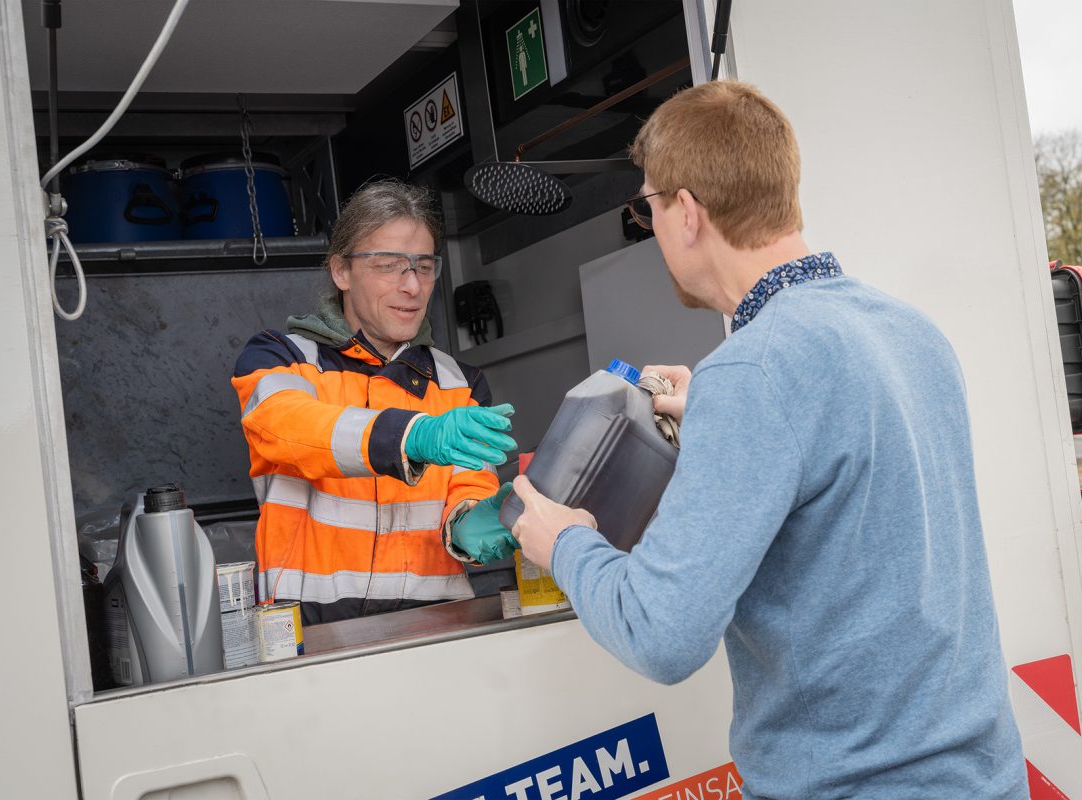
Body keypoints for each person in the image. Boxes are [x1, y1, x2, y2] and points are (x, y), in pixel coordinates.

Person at [510, 82, 1028, 797]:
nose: (652, 226)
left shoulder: (754, 371)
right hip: (983, 775)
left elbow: (660, 633)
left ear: (686, 212)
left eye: (648, 208)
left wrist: (561, 541)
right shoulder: (906, 328)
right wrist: (719, 415)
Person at [232, 180, 520, 626]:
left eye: (424, 267)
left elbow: (468, 489)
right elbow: (285, 431)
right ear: (341, 271)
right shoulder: (281, 357)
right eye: (389, 266)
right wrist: (410, 436)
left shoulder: (460, 382)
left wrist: (473, 522)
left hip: (437, 627)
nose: (413, 287)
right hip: (308, 631)